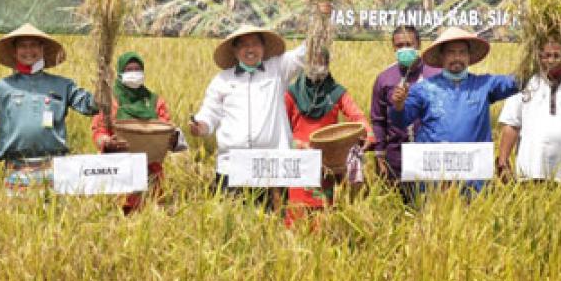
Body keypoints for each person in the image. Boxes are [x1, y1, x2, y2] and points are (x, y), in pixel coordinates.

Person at [0, 23, 97, 194]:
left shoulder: (63, 85)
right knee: (18, 217)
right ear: (15, 52)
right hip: (16, 170)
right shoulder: (3, 87)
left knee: (54, 218)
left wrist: (103, 85)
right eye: (23, 46)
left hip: (55, 169)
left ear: (43, 49)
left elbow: (90, 106)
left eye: (34, 45)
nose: (28, 51)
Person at [189, 24, 307, 208]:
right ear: (235, 51)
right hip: (232, 165)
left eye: (255, 44)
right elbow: (209, 112)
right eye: (244, 45)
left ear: (263, 47)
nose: (250, 49)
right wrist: (201, 126)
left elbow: (305, 53)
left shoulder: (277, 69)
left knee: (273, 224)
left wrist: (322, 19)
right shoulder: (223, 80)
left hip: (271, 165)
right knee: (232, 223)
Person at [390, 27, 518, 194]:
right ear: (442, 57)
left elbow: (516, 83)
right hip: (434, 180)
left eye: (462, 53)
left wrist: (536, 58)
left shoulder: (484, 85)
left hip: (474, 180)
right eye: (451, 53)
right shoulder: (424, 89)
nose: (457, 58)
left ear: (469, 57)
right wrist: (399, 105)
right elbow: (400, 121)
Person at [284, 49, 373, 225]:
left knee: (324, 216)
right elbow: (280, 127)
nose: (317, 66)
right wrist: (296, 144)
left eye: (322, 61)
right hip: (298, 163)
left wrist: (367, 133)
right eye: (312, 60)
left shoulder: (336, 92)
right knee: (297, 215)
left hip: (327, 164)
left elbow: (357, 116)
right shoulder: (292, 93)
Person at [91, 51, 185, 214]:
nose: (134, 73)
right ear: (120, 73)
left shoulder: (154, 101)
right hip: (119, 172)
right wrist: (106, 141)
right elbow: (99, 131)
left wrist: (172, 139)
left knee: (150, 217)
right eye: (129, 70)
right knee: (119, 216)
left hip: (151, 173)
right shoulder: (110, 100)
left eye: (137, 69)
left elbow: (167, 128)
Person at [497, 39, 561, 183]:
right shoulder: (524, 84)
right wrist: (503, 159)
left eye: (556, 56)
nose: (551, 60)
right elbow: (511, 124)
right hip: (529, 172)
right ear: (539, 57)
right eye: (546, 56)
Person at [369, 25, 440, 197]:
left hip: (432, 157)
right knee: (400, 210)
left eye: (409, 44)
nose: (404, 49)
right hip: (397, 158)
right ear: (393, 47)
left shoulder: (436, 75)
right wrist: (379, 154)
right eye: (399, 46)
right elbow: (378, 119)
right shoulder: (385, 79)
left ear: (418, 45)